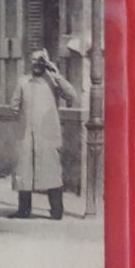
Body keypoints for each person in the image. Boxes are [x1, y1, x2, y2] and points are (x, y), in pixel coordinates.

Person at [11, 49, 79, 220]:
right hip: (27, 135)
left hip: (47, 136)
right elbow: (14, 105)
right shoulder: (23, 81)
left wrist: (56, 73)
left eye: (40, 60)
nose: (36, 64)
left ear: (46, 62)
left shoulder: (53, 82)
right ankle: (23, 210)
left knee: (51, 172)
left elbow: (72, 95)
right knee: (25, 173)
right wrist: (22, 119)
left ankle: (56, 211)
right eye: (33, 60)